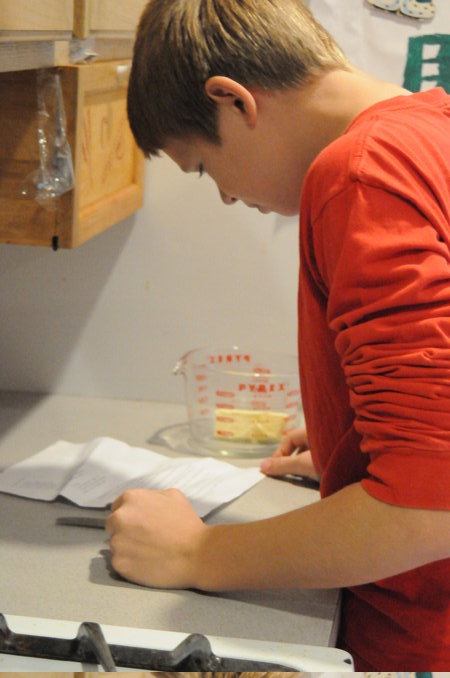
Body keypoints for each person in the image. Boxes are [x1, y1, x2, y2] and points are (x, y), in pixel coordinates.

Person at [105, 0, 450, 670]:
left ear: (234, 101)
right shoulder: (433, 130)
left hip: (421, 640)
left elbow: (428, 505)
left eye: (202, 166)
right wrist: (359, 445)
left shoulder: (360, 174)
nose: (225, 196)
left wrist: (197, 553)